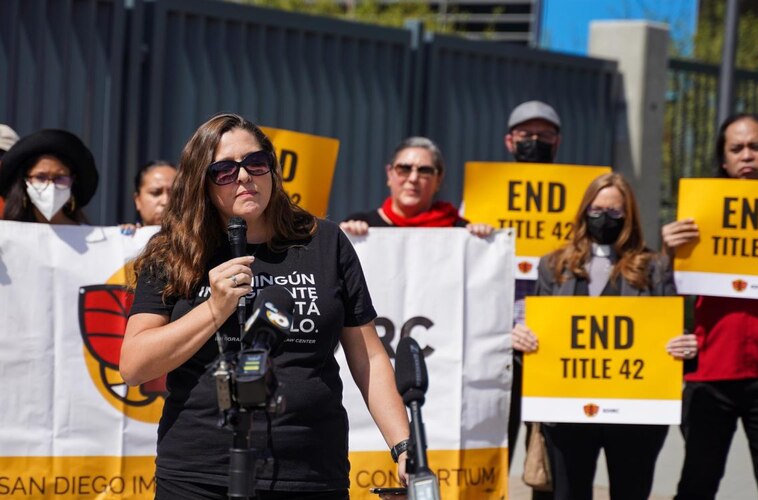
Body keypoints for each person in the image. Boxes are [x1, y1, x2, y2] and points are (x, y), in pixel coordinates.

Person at [120, 113, 410, 499]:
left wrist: (404, 446)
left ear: (272, 171)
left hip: (309, 471)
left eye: (255, 164)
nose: (243, 177)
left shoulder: (324, 242)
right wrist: (213, 309)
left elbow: (369, 357)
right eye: (224, 170)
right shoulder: (174, 252)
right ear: (200, 183)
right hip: (200, 474)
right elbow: (135, 365)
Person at [532, 172, 695, 500]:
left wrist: (682, 343)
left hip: (635, 412)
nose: (604, 219)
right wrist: (524, 338)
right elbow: (541, 330)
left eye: (615, 212)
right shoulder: (553, 265)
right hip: (569, 410)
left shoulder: (655, 267)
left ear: (629, 216)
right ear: (583, 212)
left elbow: (672, 328)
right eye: (596, 210)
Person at [663, 113, 758, 500]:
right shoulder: (697, 216)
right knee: (696, 486)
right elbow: (660, 292)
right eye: (736, 148)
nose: (746, 157)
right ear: (723, 161)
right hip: (709, 373)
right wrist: (667, 252)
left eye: (756, 147)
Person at [504, 100, 563, 470]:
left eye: (544, 135)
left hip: (555, 340)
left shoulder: (578, 199)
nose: (535, 142)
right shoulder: (480, 197)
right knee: (498, 445)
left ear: (557, 142)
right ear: (510, 141)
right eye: (527, 135)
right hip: (500, 343)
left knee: (550, 461)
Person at [339, 136, 492, 236]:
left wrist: (482, 239)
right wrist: (347, 236)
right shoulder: (361, 225)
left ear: (438, 179)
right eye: (404, 169)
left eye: (424, 170)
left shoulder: (458, 230)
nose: (413, 178)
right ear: (389, 174)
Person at [0, 128, 98, 224]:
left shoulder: (96, 239)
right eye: (40, 177)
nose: (51, 186)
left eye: (60, 178)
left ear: (73, 182)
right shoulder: (7, 234)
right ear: (24, 182)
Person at [120, 160, 177, 234]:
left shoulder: (193, 241)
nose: (165, 201)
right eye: (155, 193)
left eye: (175, 194)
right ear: (138, 200)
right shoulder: (124, 239)